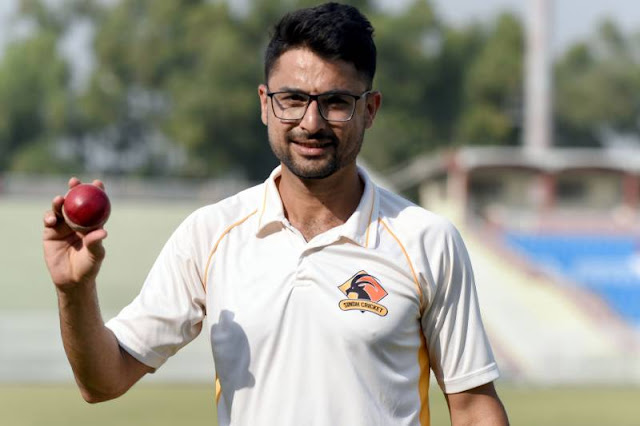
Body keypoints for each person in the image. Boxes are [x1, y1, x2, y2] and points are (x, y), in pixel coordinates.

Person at [43, 3, 509, 425]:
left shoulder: (427, 239)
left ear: (370, 109)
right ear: (266, 104)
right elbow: (103, 382)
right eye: (293, 99)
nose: (311, 123)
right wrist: (75, 290)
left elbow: (473, 408)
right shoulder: (211, 234)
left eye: (336, 103)